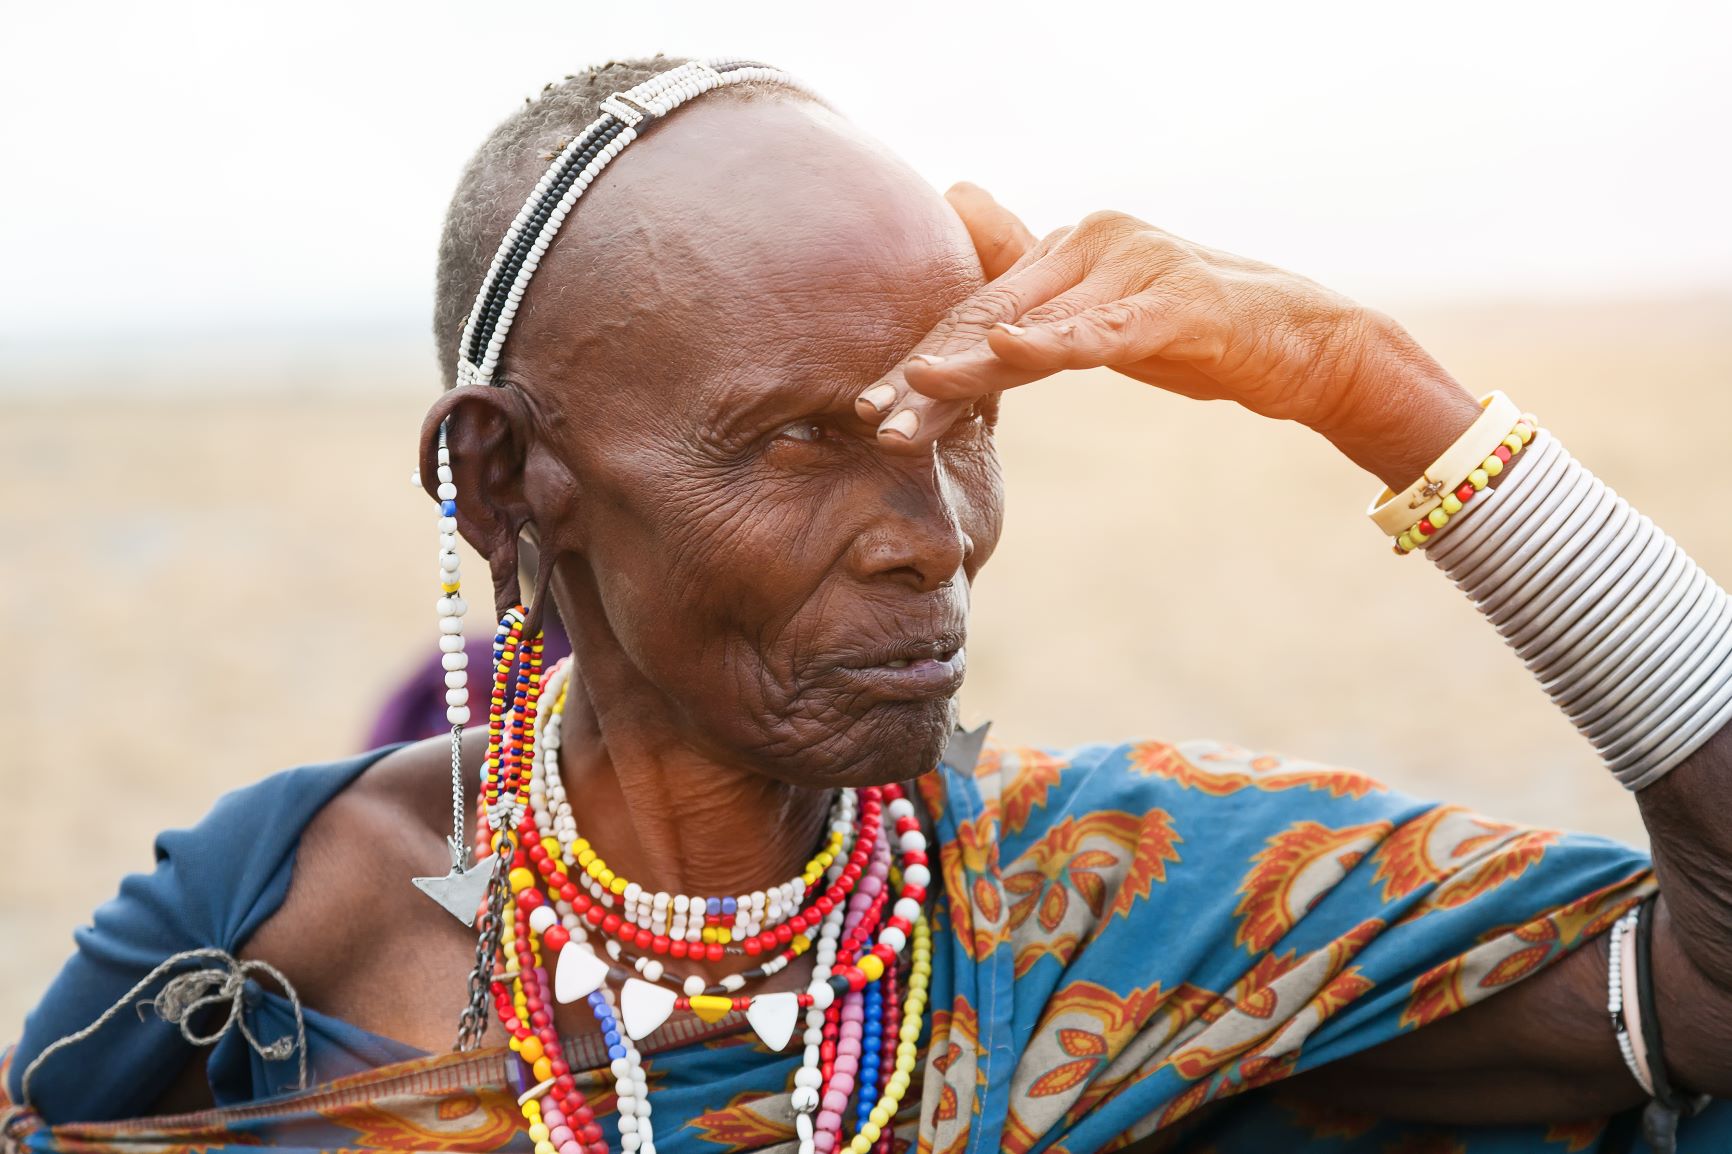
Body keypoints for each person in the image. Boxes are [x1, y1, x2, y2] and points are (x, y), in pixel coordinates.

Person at [5, 55, 1730, 1154]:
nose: (933, 535)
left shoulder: (1120, 898)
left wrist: (1371, 389)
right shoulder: (282, 908)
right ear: (508, 479)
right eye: (801, 439)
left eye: (957, 428)